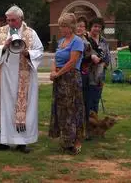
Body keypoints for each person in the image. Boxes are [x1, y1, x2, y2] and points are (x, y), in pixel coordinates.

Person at [0, 5, 43, 153]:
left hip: (24, 77)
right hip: (4, 76)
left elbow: (39, 51)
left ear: (21, 19)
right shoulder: (1, 32)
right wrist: (3, 47)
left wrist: (27, 53)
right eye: (8, 20)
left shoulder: (30, 33)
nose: (10, 23)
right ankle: (2, 141)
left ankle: (22, 142)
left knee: (25, 108)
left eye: (13, 20)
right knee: (4, 106)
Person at [49, 13, 85, 155]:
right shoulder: (61, 41)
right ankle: (65, 139)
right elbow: (55, 59)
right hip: (59, 79)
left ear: (71, 27)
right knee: (61, 109)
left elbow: (72, 62)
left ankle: (74, 141)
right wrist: (53, 72)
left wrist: (59, 73)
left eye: (64, 26)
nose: (61, 29)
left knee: (72, 109)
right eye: (60, 26)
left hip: (71, 79)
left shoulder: (77, 41)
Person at [86, 17, 110, 114]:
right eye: (95, 26)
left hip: (99, 75)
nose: (97, 29)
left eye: (99, 27)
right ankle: (88, 121)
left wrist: (102, 63)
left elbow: (107, 57)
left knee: (96, 98)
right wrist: (91, 58)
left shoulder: (103, 41)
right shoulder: (85, 39)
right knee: (88, 99)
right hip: (87, 74)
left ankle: (94, 122)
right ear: (90, 27)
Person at [76, 16, 93, 139]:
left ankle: (85, 130)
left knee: (85, 103)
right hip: (73, 74)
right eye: (77, 25)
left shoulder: (87, 42)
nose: (79, 28)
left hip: (84, 75)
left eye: (82, 26)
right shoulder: (70, 40)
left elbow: (88, 58)